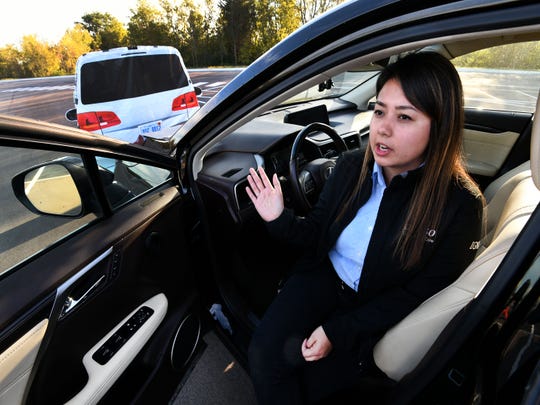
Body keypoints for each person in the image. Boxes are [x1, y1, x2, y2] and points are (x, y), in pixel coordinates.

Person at [245, 52, 485, 404]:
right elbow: (314, 235)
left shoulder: (461, 205)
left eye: (404, 116)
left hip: (375, 307)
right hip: (324, 276)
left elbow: (416, 295)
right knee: (265, 356)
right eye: (378, 110)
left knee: (314, 385)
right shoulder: (350, 165)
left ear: (440, 125)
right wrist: (277, 217)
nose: (382, 129)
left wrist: (338, 331)